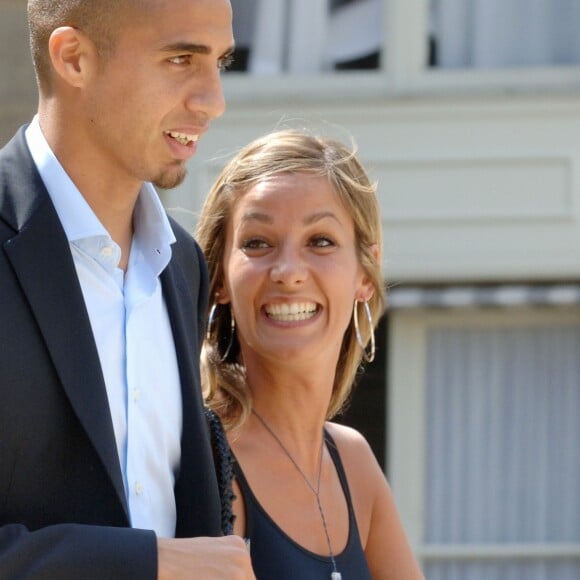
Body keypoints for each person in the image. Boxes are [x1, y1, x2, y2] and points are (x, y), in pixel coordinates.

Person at [0, 0, 255, 578]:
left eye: (221, 62)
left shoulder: (182, 265)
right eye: (181, 59)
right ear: (74, 58)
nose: (213, 100)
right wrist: (148, 562)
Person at [196, 130, 425, 579]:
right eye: (257, 243)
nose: (287, 272)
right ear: (220, 277)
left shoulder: (352, 461)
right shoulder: (203, 455)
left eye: (320, 241)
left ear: (365, 272)